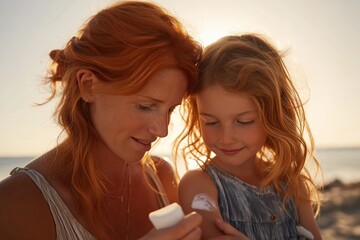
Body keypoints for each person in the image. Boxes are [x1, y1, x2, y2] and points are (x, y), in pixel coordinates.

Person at [0, 1, 208, 239]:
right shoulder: (15, 203)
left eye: (171, 110)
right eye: (145, 106)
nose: (162, 131)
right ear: (88, 85)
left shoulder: (161, 177)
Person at [175, 34, 323, 239]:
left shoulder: (292, 186)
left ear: (273, 115)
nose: (226, 138)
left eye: (243, 121)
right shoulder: (200, 185)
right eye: (211, 122)